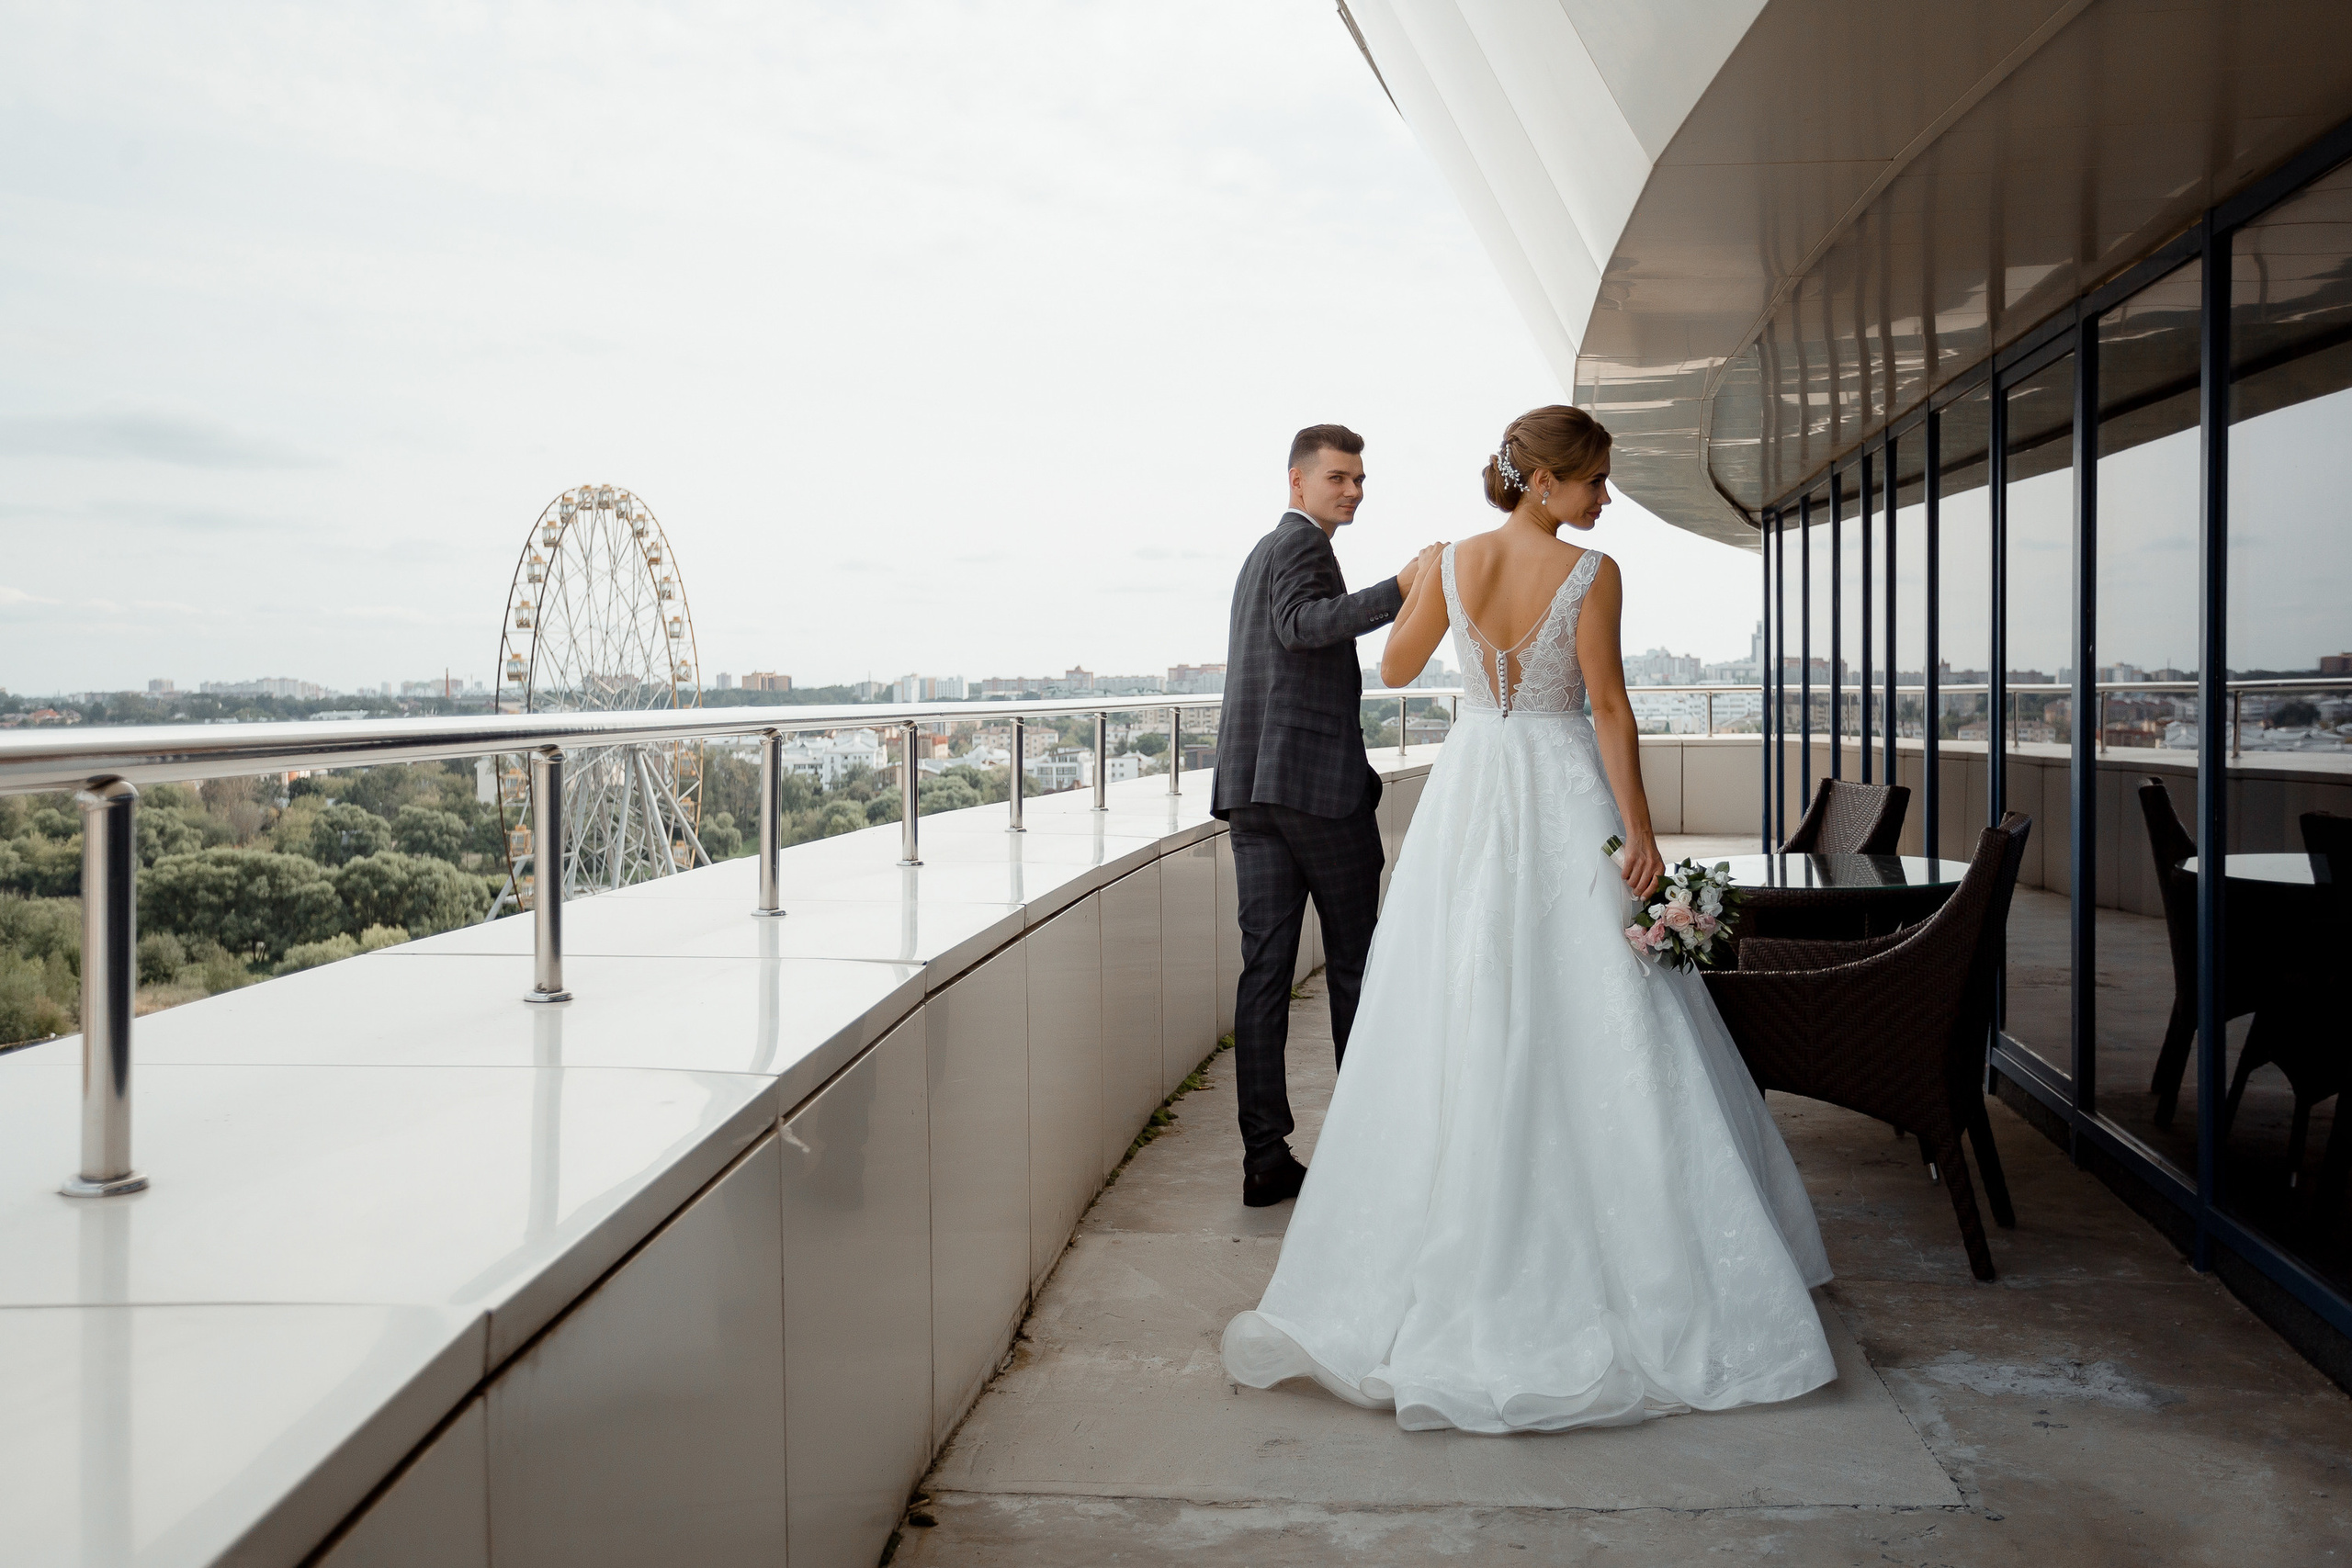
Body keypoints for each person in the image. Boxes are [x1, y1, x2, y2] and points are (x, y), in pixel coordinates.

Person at [1220, 405, 1836, 1433]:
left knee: (1459, 988)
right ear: (1544, 481)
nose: (1606, 499)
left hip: (1472, 788)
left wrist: (1426, 584)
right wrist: (1641, 833)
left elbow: (1398, 669)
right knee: (1596, 1000)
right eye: (1596, 480)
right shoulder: (1591, 573)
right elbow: (1609, 708)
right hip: (1558, 786)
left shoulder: (1455, 560)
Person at [1213, 423, 1436, 1208]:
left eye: (1360, 479)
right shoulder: (1303, 545)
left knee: (1265, 973)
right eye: (1338, 477)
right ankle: (1367, 1151)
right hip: (1313, 791)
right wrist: (1402, 586)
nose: (1353, 490)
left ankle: (1265, 1158)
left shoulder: (1261, 553)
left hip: (1253, 791)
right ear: (1297, 481)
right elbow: (1303, 625)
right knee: (1355, 965)